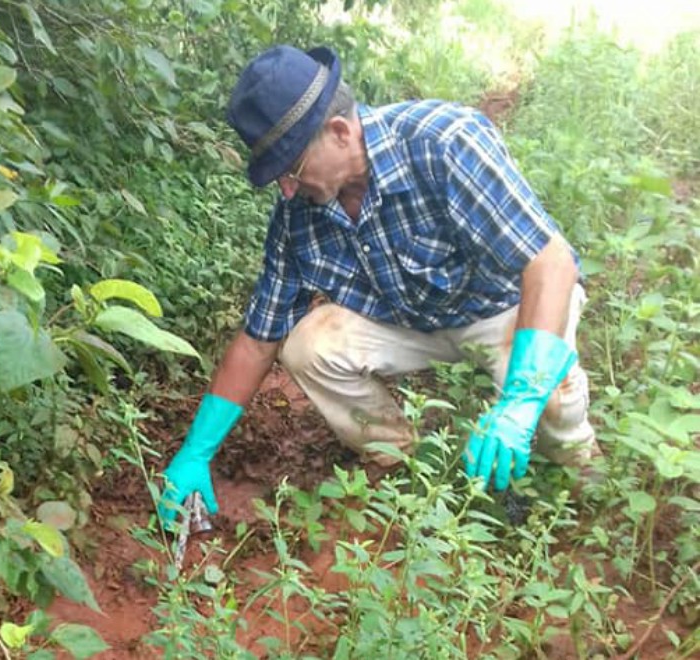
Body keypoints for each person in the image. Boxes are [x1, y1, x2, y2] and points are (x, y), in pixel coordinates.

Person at [157, 45, 600, 529]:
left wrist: (519, 398)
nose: (286, 190)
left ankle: (585, 483)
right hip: (409, 323)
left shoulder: (445, 142)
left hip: (504, 308)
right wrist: (195, 451)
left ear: (341, 132)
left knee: (552, 403)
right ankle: (402, 464)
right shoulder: (298, 217)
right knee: (308, 344)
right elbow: (259, 338)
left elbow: (551, 263)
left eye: (292, 169)